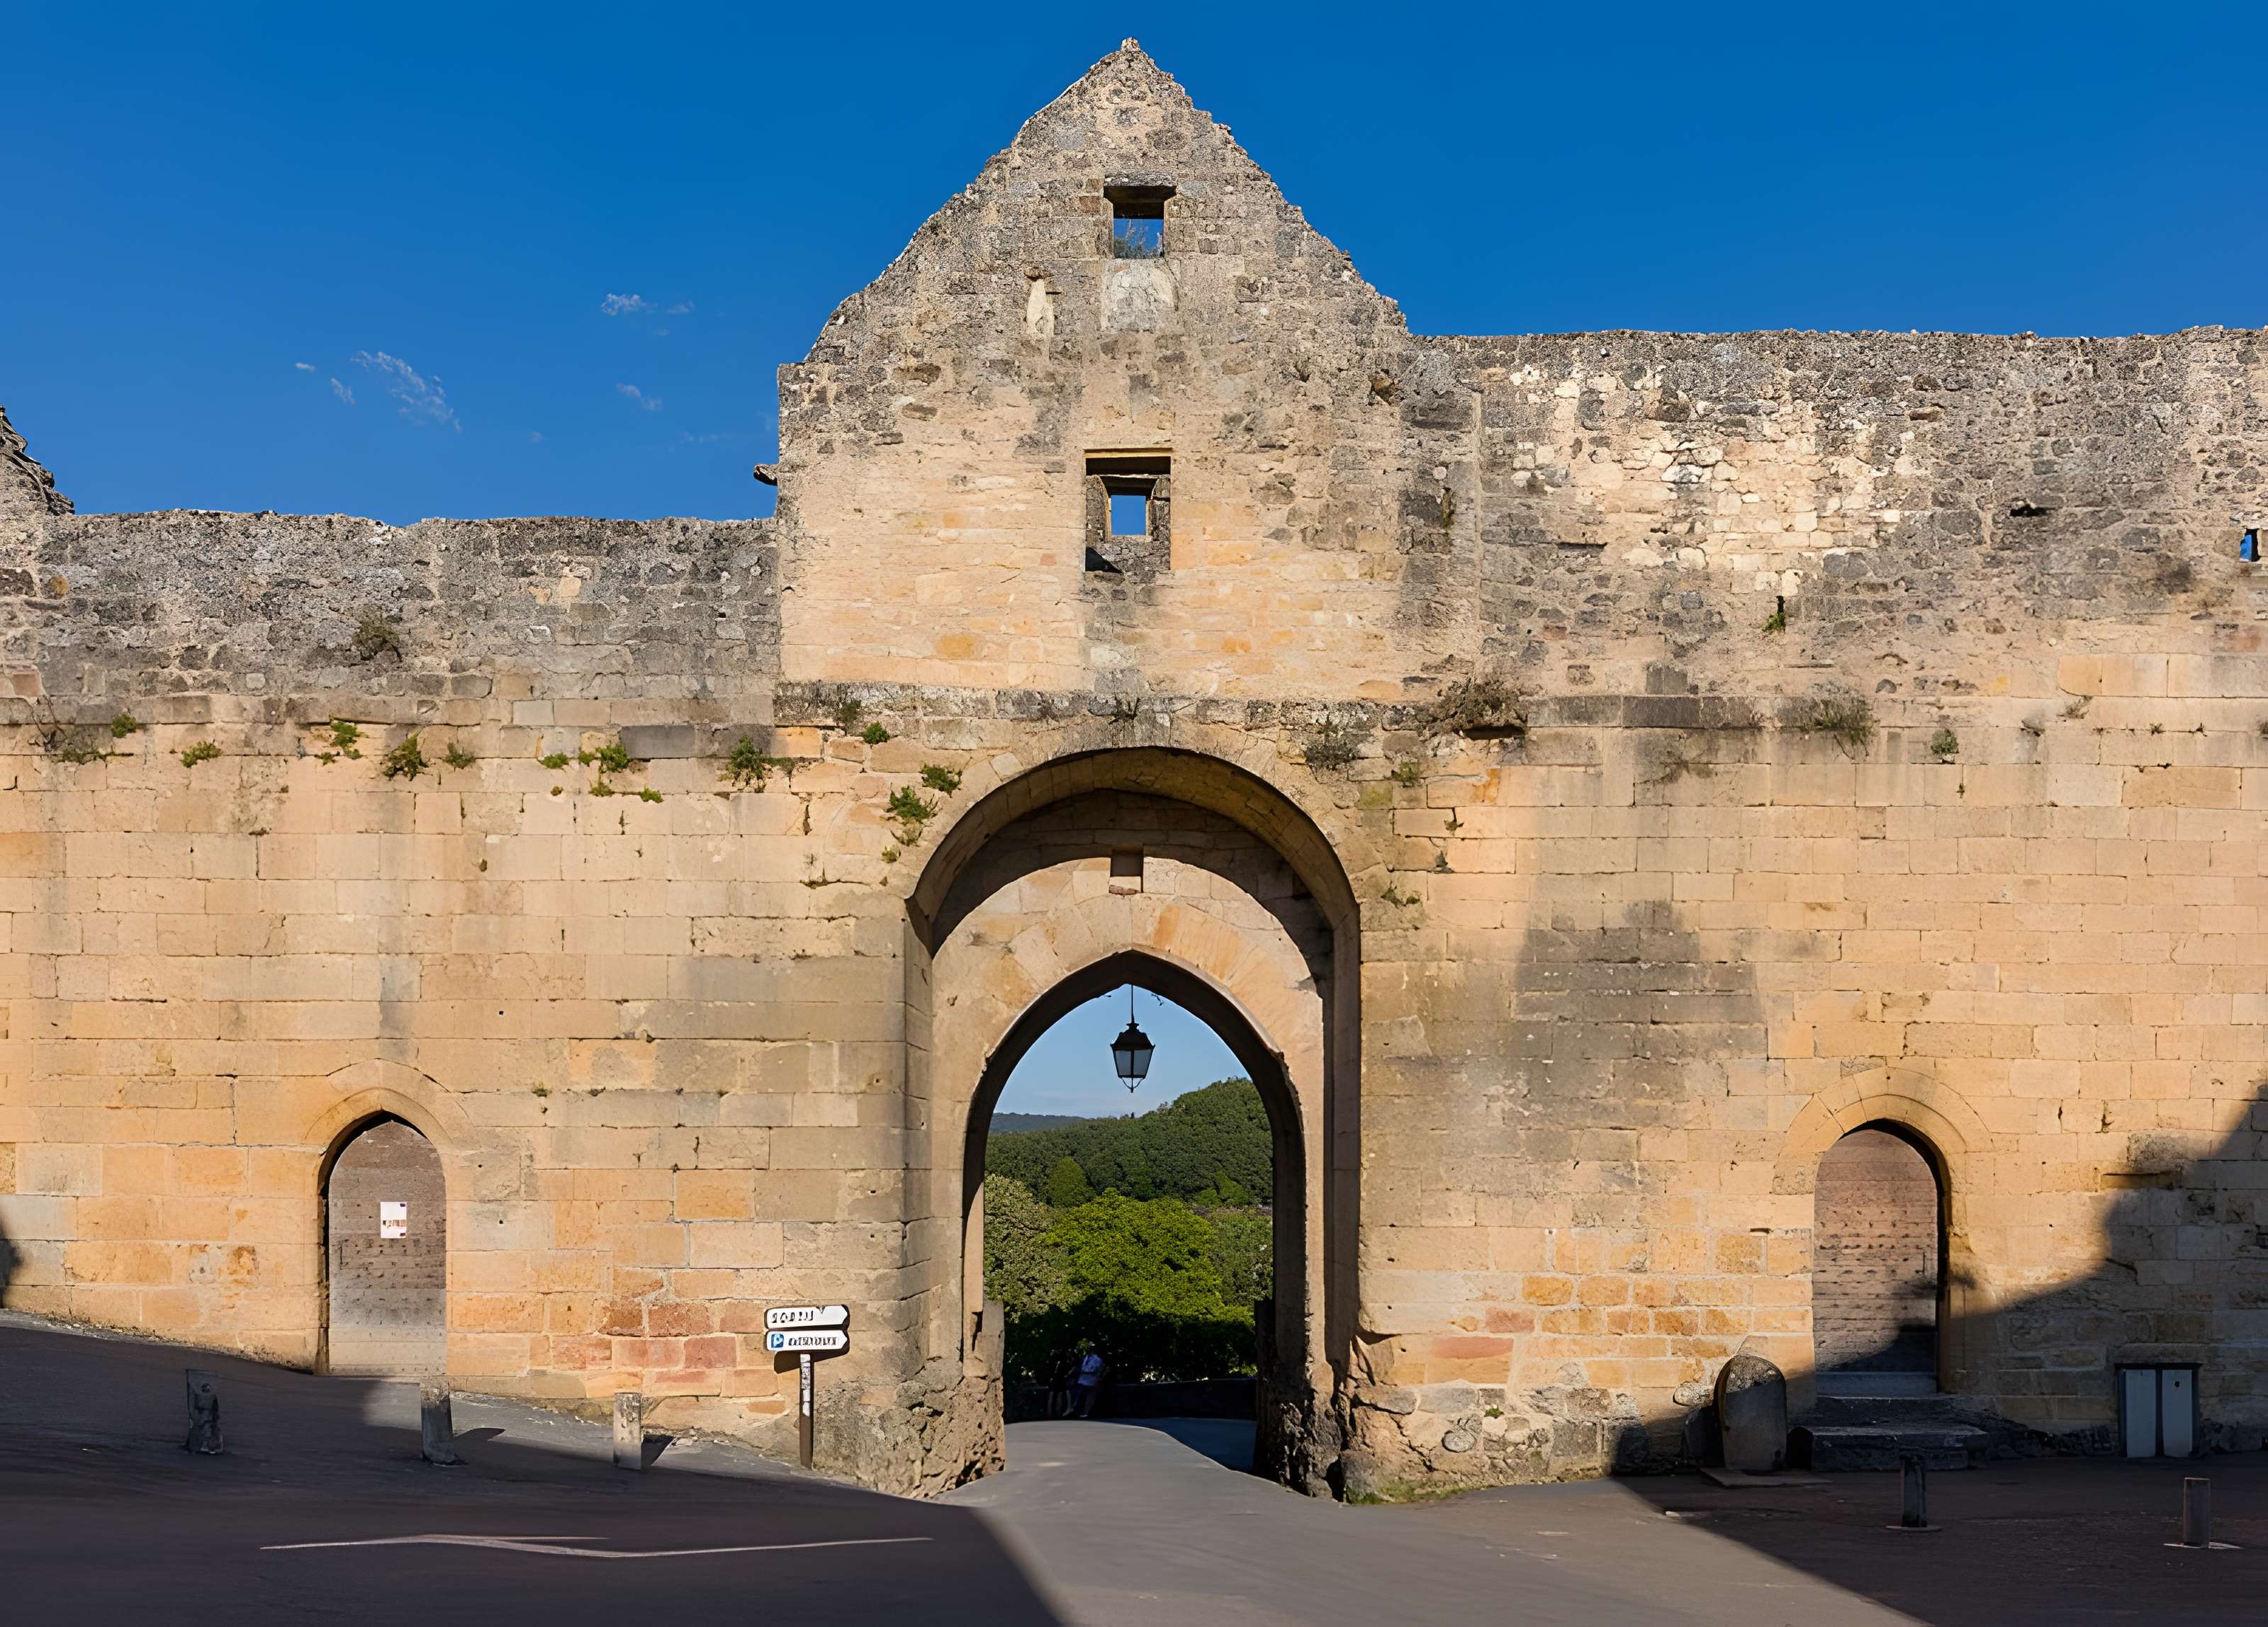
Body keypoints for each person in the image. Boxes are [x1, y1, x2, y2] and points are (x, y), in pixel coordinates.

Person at [1071, 1344, 1106, 1419]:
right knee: (1080, 1394)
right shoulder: (1084, 1357)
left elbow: (1097, 1369)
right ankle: (1076, 1410)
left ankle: (1086, 1412)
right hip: (1082, 1379)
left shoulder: (1097, 1359)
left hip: (1091, 1379)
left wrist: (1086, 1372)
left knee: (1090, 1395)